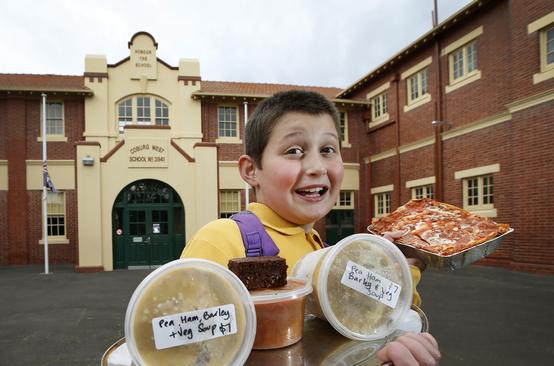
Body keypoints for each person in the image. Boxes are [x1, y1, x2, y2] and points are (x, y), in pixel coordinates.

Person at [181, 90, 440, 365]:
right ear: (251, 171)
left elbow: (374, 317)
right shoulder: (221, 240)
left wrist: (398, 266)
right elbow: (185, 349)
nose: (317, 166)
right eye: (294, 151)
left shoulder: (326, 251)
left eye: (328, 150)